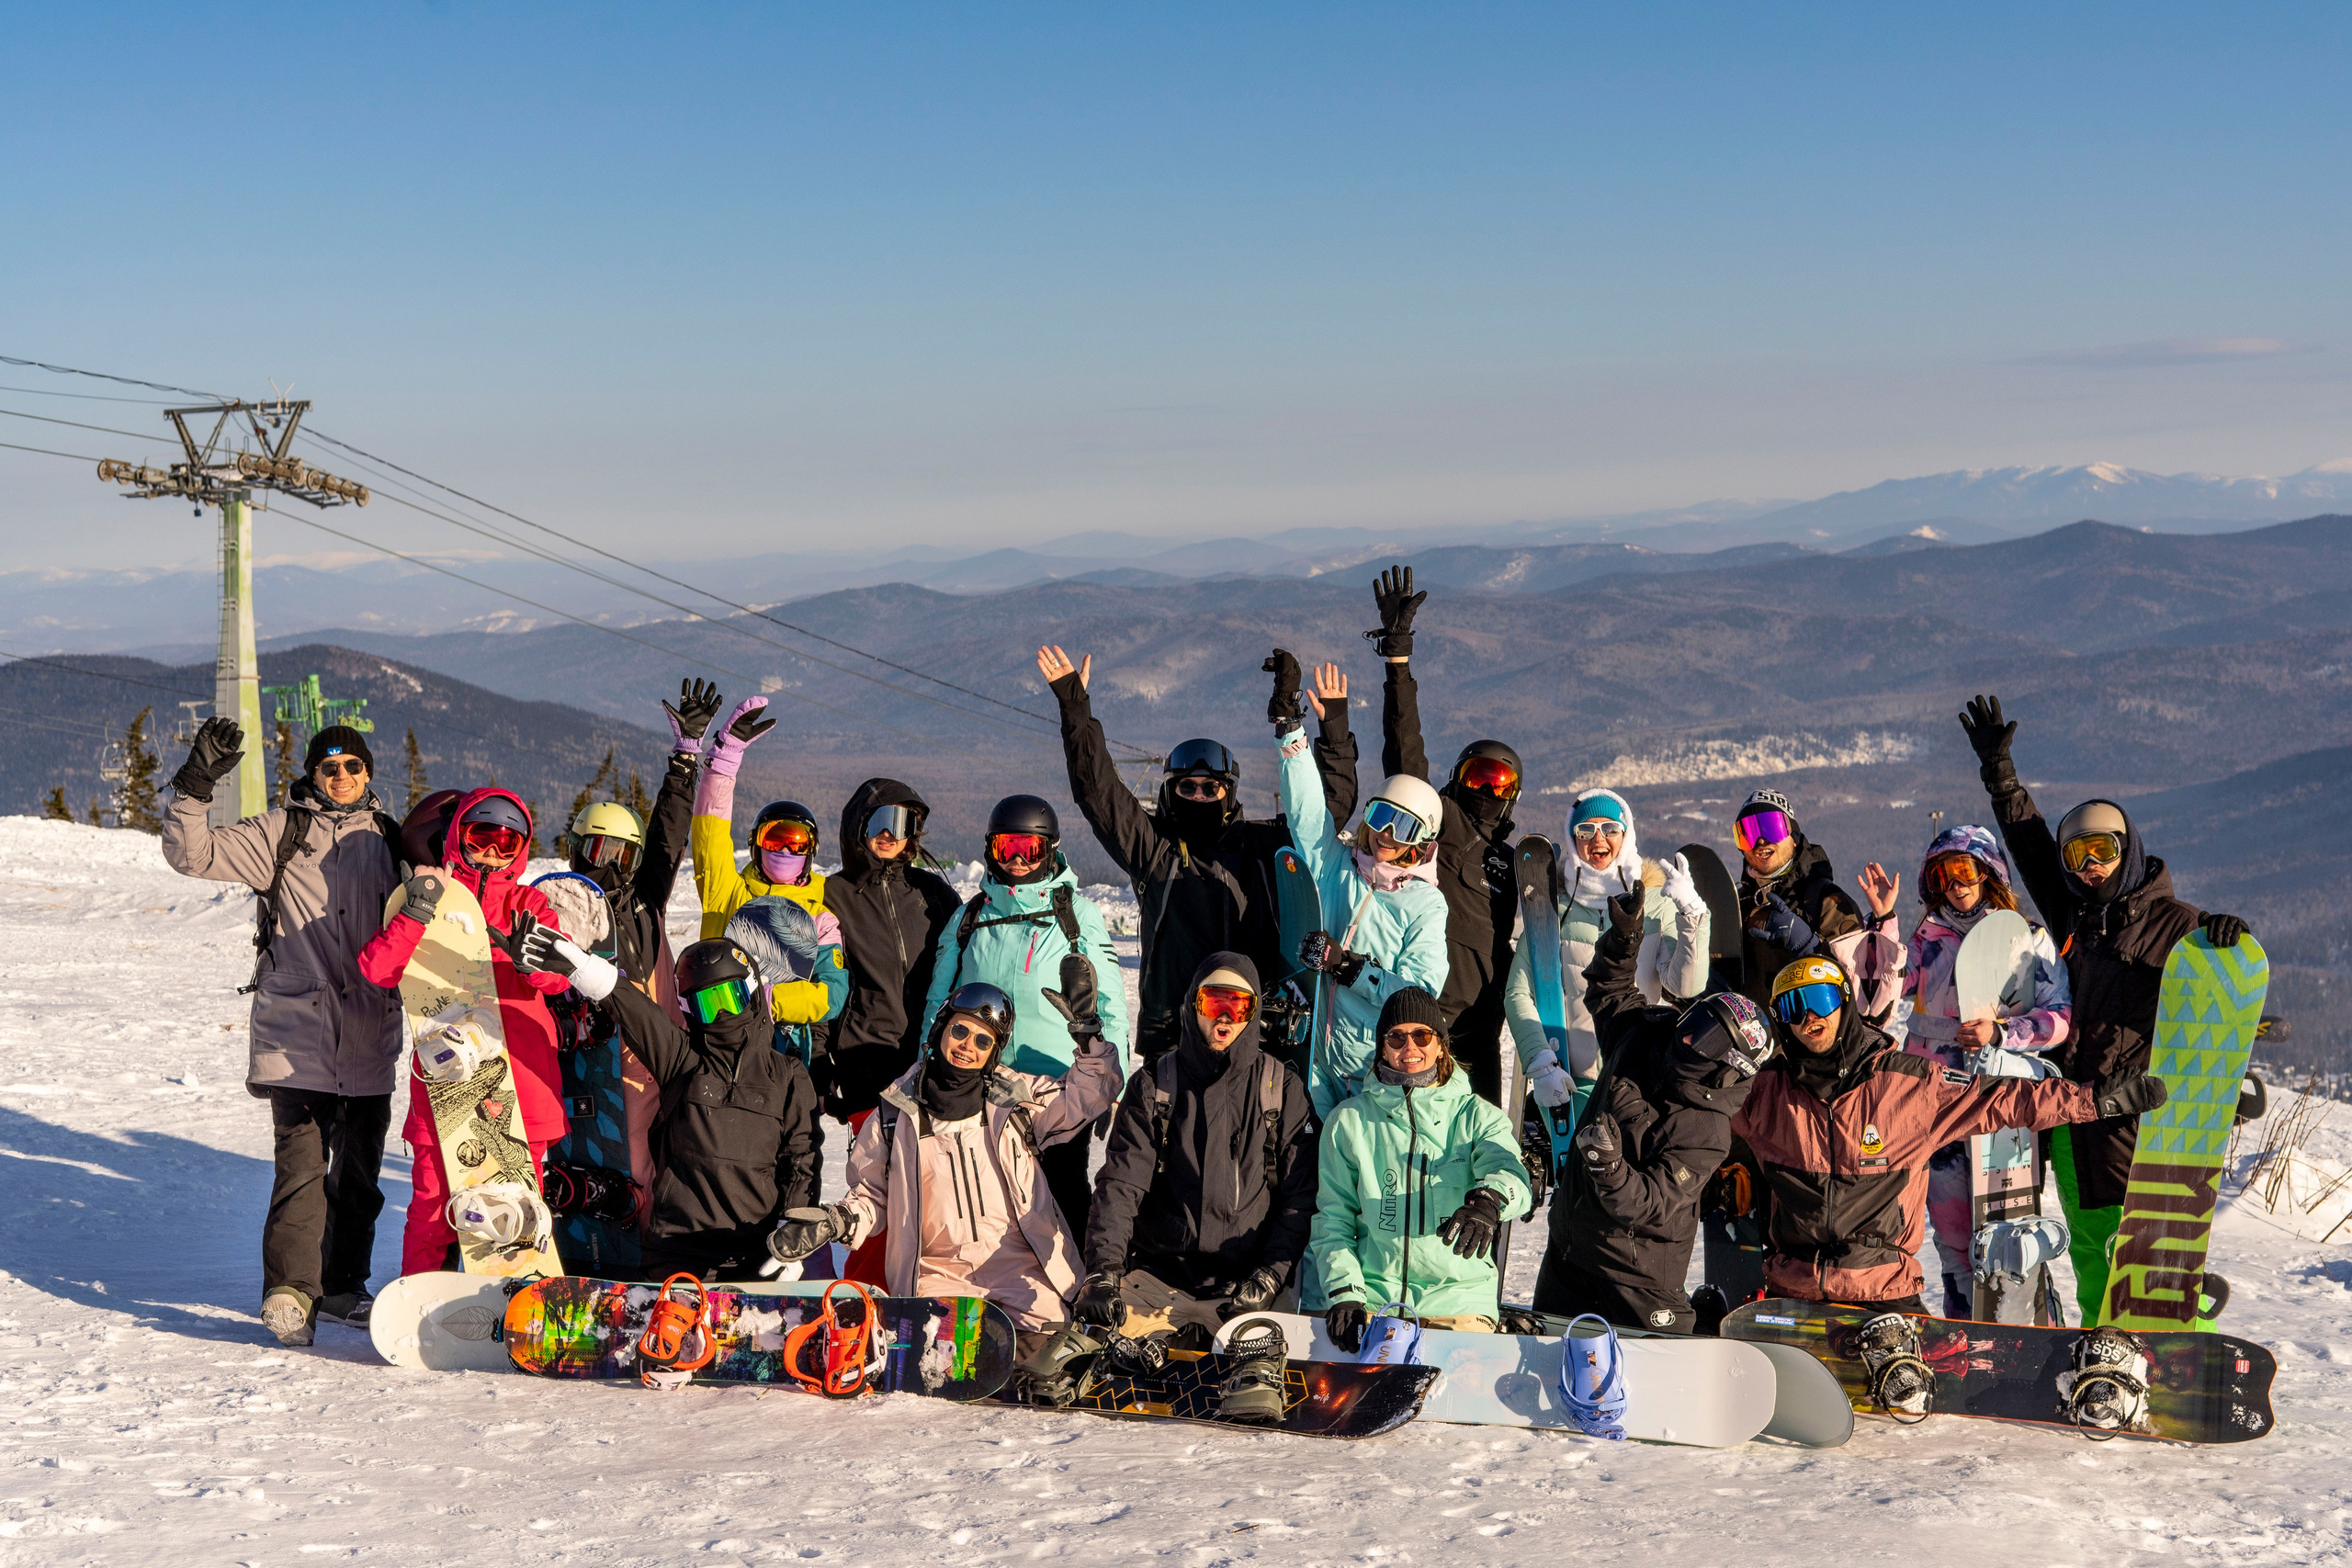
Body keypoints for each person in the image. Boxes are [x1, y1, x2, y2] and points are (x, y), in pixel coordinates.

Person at [1959, 694, 2252, 1322]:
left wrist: (2226, 939)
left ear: (2130, 850)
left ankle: (2178, 1352)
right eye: (2078, 856)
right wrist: (2002, 776)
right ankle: (2100, 1358)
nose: (2090, 868)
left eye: (2104, 852)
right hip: (2076, 1120)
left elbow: (2222, 999)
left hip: (2141, 1123)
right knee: (2093, 1253)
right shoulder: (2072, 915)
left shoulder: (2178, 924)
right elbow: (2030, 844)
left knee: (2151, 1257)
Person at [1731, 953, 2166, 1312]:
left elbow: (2001, 1098)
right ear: (1779, 1021)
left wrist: (2091, 1100)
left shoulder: (1908, 1087)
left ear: (1845, 1004)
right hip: (1791, 1296)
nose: (1809, 1015)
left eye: (1822, 999)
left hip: (1882, 1295)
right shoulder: (1762, 1093)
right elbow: (1696, 1119)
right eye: (1792, 1006)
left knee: (1910, 1402)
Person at [161, 719, 402, 1346]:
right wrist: (196, 781)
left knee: (359, 1174)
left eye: (352, 766)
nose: (341, 777)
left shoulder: (392, 841)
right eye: (329, 767)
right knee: (300, 1168)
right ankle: (291, 1292)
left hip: (371, 1034)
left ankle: (346, 1284)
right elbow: (193, 853)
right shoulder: (282, 831)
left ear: (368, 772)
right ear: (311, 774)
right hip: (298, 1037)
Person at [1037, 643, 1357, 1065]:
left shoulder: (1263, 845)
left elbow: (1324, 813)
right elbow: (1099, 794)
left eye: (1211, 788)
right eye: (1187, 788)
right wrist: (1075, 709)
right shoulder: (1154, 850)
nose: (1199, 796)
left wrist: (1324, 728)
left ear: (1229, 792)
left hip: (1254, 1034)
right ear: (1172, 793)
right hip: (1175, 1037)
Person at [766, 975, 1120, 1347]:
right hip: (937, 1271)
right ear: (940, 1029)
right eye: (961, 1031)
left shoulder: (1016, 1100)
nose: (968, 1046)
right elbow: (872, 1195)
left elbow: (1090, 1094)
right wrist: (837, 1221)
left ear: (993, 1053)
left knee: (1048, 1355)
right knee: (946, 1355)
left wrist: (1089, 1038)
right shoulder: (894, 1114)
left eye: (984, 1041)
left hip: (1021, 1266)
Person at [500, 919, 821, 1280]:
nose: (722, 1016)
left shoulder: (787, 1075)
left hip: (758, 1254)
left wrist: (794, 1233)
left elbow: (801, 1160)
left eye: (730, 999)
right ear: (688, 1009)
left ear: (751, 993)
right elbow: (638, 1014)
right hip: (678, 1253)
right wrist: (581, 967)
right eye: (707, 1005)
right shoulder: (683, 1061)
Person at [356, 789, 574, 1276]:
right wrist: (417, 911)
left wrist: (531, 960)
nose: (493, 853)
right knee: (433, 1210)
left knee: (513, 1209)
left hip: (521, 1083)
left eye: (507, 843)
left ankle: (520, 1307)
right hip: (447, 1081)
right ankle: (422, 1297)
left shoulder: (530, 903)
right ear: (459, 835)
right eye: (483, 837)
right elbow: (379, 969)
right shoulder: (425, 895)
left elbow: (560, 979)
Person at [1532, 893, 1773, 1331]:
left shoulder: (1707, 1131)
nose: (1687, 1040)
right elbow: (1609, 991)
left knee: (1653, 1388)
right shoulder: (1647, 1033)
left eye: (1708, 1042)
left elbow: (1651, 1204)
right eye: (1695, 1023)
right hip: (1570, 1252)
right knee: (1545, 1373)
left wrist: (1607, 1167)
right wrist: (1625, 938)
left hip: (1637, 1279)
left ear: (1728, 1068)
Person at [1074, 953, 1320, 1337]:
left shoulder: (1281, 1090)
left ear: (1253, 1013)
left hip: (1245, 1292)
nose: (1224, 1017)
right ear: (1194, 1005)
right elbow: (1121, 1186)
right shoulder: (1155, 1085)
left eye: (1239, 1006)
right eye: (1213, 1001)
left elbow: (1299, 1198)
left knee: (1257, 1385)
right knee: (1106, 1365)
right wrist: (1103, 1271)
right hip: (1158, 1283)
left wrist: (1272, 1276)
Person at [922, 795, 1130, 1239]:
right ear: (990, 850)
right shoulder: (970, 917)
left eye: (1029, 849)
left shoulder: (1076, 916)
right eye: (1006, 848)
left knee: (1062, 1193)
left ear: (1050, 850)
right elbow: (940, 1001)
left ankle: (1079, 1287)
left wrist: (1113, 1083)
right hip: (982, 1088)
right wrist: (928, 1066)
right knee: (984, 1197)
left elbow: (1111, 1004)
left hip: (1059, 1090)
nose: (1017, 860)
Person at [1356, 566, 1524, 1107]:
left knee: (1478, 1151)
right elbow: (1405, 757)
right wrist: (1397, 660)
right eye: (1477, 775)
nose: (1487, 791)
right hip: (1427, 1027)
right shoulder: (1443, 825)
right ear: (1457, 778)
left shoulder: (1512, 860)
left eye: (1501, 784)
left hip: (1484, 1029)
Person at [1268, 649, 1451, 1118]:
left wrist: (1350, 968)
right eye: (1381, 817)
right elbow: (1307, 814)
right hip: (1313, 1065)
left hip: (1376, 1076)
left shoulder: (1423, 904)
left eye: (1403, 827)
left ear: (1422, 842)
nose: (1387, 835)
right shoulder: (1337, 868)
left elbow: (1420, 995)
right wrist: (1292, 731)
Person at [1898, 823, 2073, 1314]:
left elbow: (2059, 1019)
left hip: (2003, 1100)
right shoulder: (1924, 941)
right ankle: (1962, 1322)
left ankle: (2025, 1320)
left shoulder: (2025, 938)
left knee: (2009, 1230)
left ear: (1988, 872)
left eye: (1964, 870)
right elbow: (1879, 989)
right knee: (1952, 1232)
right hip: (1937, 1101)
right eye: (1942, 875)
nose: (1954, 884)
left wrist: (2003, 1034)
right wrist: (1883, 923)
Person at [1306, 987, 1534, 1338]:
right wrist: (1345, 1292)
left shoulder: (1475, 1115)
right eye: (1396, 1037)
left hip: (1460, 1302)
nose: (1409, 1047)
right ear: (1382, 1046)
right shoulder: (1348, 1121)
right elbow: (1333, 1218)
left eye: (1421, 1035)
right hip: (1375, 1304)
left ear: (1440, 1044)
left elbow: (1511, 1172)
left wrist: (1490, 1200)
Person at [1503, 787, 1711, 1116]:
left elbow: (1685, 987)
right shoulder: (1551, 911)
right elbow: (1518, 992)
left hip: (1641, 1077)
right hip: (1571, 1080)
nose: (1598, 839)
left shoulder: (1655, 904)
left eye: (1610, 829)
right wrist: (1539, 1060)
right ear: (1573, 840)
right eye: (1585, 830)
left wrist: (1692, 918)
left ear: (1626, 834)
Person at [822, 779, 963, 1120]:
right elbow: (822, 981)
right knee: (878, 1169)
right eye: (878, 821)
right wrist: (819, 1067)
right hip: (866, 1061)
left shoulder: (933, 894)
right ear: (858, 825)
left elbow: (962, 972)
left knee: (934, 1171)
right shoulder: (832, 896)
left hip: (934, 1060)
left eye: (900, 824)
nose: (888, 833)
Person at [1729, 788, 1902, 1021]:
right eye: (1747, 834)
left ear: (1792, 834)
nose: (1760, 841)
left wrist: (1811, 948)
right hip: (1746, 1049)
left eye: (1771, 827)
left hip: (1806, 1049)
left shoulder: (1825, 900)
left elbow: (1863, 1007)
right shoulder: (1739, 902)